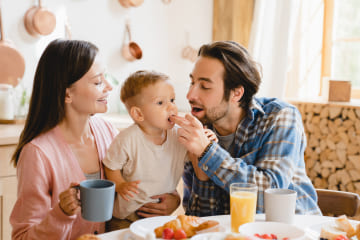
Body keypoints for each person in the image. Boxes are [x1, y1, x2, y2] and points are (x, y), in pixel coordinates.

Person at [170, 41, 322, 216]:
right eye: (192, 82)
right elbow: (202, 221)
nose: (190, 95)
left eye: (205, 86)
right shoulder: (198, 131)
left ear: (236, 93)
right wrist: (202, 176)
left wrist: (208, 153)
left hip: (293, 231)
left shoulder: (279, 116)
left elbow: (270, 195)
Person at [10, 39, 118, 240]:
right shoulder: (38, 154)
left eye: (106, 78)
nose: (109, 87)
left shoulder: (108, 132)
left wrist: (166, 200)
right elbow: (22, 237)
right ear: (67, 94)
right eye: (98, 82)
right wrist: (61, 214)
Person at [103, 70, 216, 230]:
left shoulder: (178, 135)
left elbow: (198, 164)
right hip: (125, 217)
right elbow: (111, 165)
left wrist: (205, 143)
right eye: (161, 103)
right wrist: (120, 185)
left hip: (159, 217)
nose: (172, 107)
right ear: (138, 114)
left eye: (172, 100)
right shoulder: (127, 139)